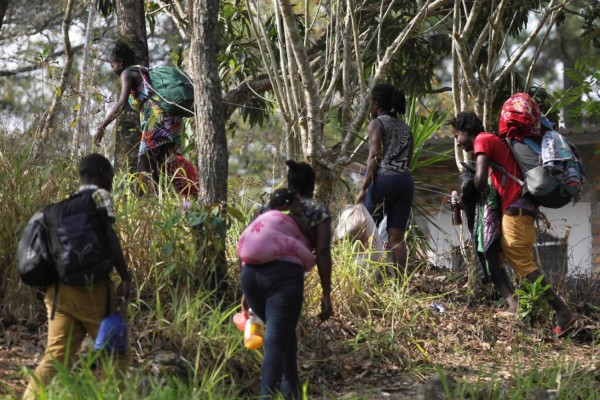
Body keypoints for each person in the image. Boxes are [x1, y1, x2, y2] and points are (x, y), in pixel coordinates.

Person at [450, 110, 576, 337]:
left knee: (521, 261)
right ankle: (514, 305)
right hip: (517, 210)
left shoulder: (483, 139)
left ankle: (563, 313)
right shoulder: (491, 142)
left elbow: (479, 181)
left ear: (467, 130)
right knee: (495, 255)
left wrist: (466, 193)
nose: (458, 142)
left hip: (517, 210)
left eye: (457, 135)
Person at [23, 153, 131, 399]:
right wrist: (125, 276)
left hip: (58, 293)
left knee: (55, 357)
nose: (112, 184)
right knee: (116, 354)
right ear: (102, 175)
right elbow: (110, 237)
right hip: (92, 292)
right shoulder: (100, 196)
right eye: (111, 178)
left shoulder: (60, 208)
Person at [241, 161, 333, 399]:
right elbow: (322, 251)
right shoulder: (316, 211)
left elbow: (253, 240)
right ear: (312, 186)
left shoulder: (265, 209)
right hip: (284, 278)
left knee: (284, 334)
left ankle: (290, 392)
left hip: (250, 274)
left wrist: (244, 293)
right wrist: (326, 293)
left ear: (289, 183)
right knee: (277, 337)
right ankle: (266, 395)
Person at [94, 41, 182, 192]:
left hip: (157, 118)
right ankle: (161, 204)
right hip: (172, 119)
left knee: (143, 164)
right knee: (156, 166)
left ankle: (145, 202)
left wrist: (103, 125)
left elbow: (121, 102)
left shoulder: (126, 73)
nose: (113, 69)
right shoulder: (143, 70)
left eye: (112, 65)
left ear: (120, 63)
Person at [355, 83, 414, 274]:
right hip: (405, 181)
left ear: (377, 104)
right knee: (397, 238)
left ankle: (367, 280)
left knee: (368, 233)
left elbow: (374, 155)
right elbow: (409, 159)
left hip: (383, 181)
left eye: (370, 103)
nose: (369, 108)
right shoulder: (406, 128)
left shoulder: (377, 123)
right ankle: (400, 285)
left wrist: (363, 188)